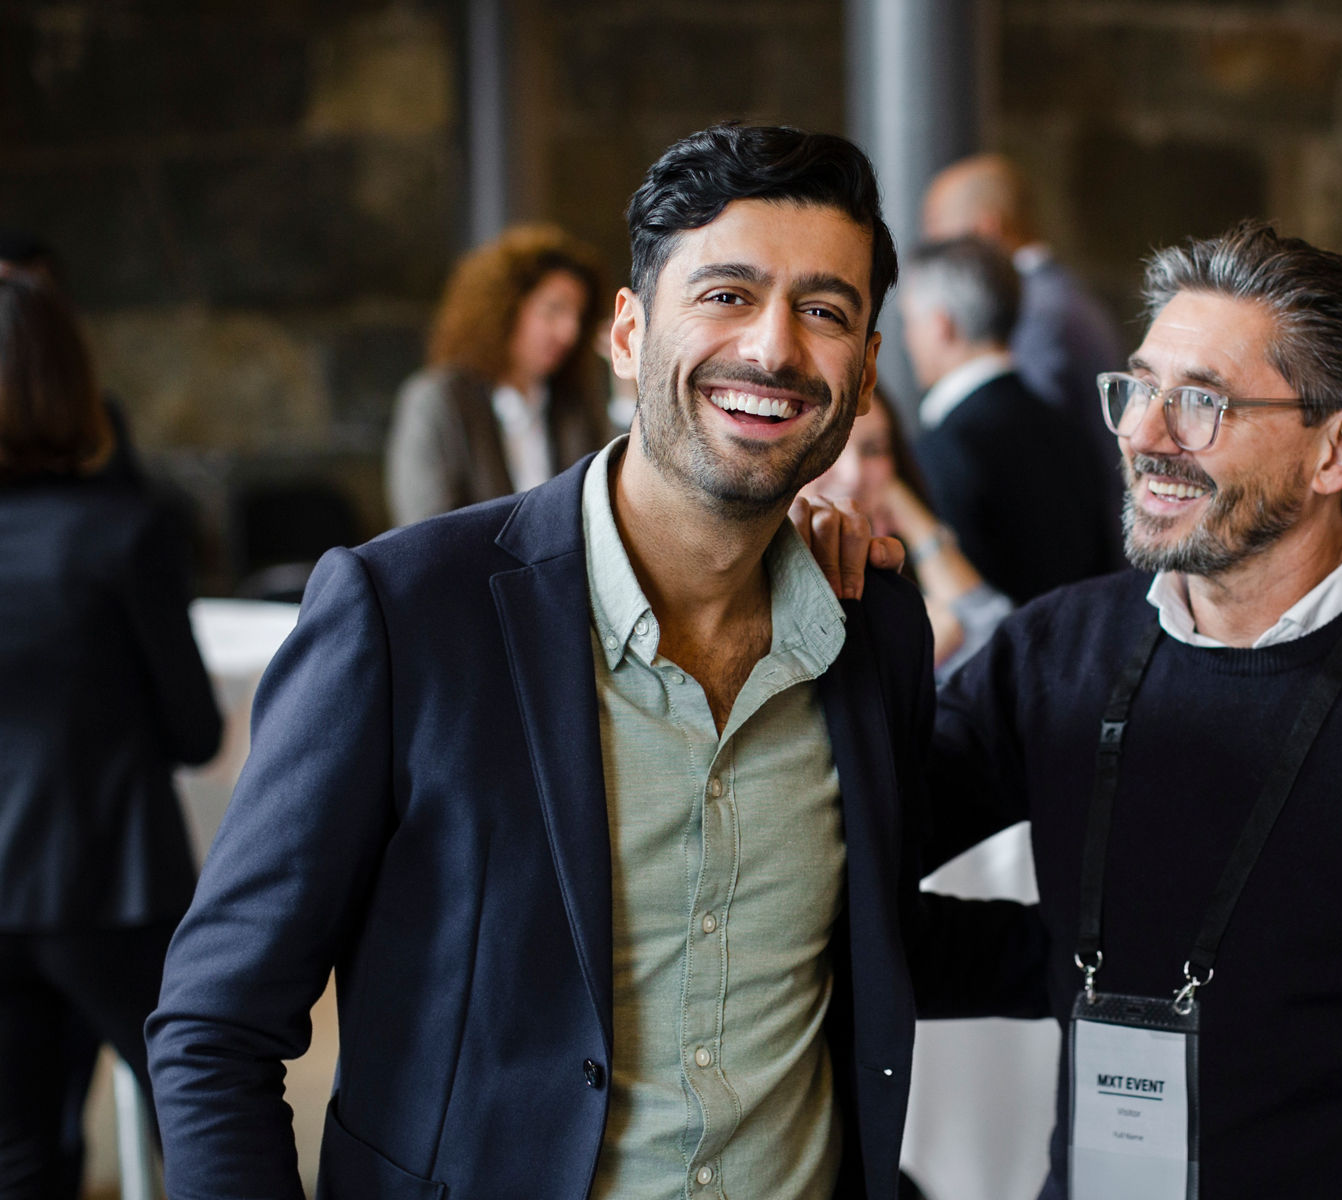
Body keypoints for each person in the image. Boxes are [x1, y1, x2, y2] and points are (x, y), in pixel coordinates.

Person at [148, 124, 1026, 1200]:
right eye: (724, 295)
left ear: (868, 366)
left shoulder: (870, 631)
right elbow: (215, 1027)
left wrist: (1147, 963)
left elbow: (862, 933)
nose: (773, 348)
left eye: (825, 311)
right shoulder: (408, 614)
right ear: (626, 332)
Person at [918, 221, 1342, 1197]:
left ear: (1338, 446)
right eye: (1138, 387)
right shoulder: (1053, 652)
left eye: (1199, 402)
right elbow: (842, 866)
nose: (1141, 433)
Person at [0, 272, 222, 1195]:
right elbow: (195, 732)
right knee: (203, 1111)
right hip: (113, 884)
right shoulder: (125, 535)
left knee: (19, 1155)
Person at [901, 236, 1119, 604]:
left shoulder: (944, 449)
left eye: (909, 322)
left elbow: (963, 610)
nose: (907, 338)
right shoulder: (1066, 428)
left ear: (942, 327)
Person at [385, 223, 610, 526]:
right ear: (505, 308)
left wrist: (627, 390)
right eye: (553, 310)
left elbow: (612, 506)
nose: (570, 332)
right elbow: (426, 533)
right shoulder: (436, 400)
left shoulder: (570, 404)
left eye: (578, 317)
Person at [922, 154, 1125, 462]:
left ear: (987, 229)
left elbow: (1026, 441)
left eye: (941, 239)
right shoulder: (1057, 293)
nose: (934, 259)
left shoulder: (1038, 312)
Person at [797, 394, 1012, 676]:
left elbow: (1002, 643)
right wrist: (919, 656)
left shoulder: (888, 572)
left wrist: (917, 524)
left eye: (873, 449)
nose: (854, 474)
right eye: (829, 447)